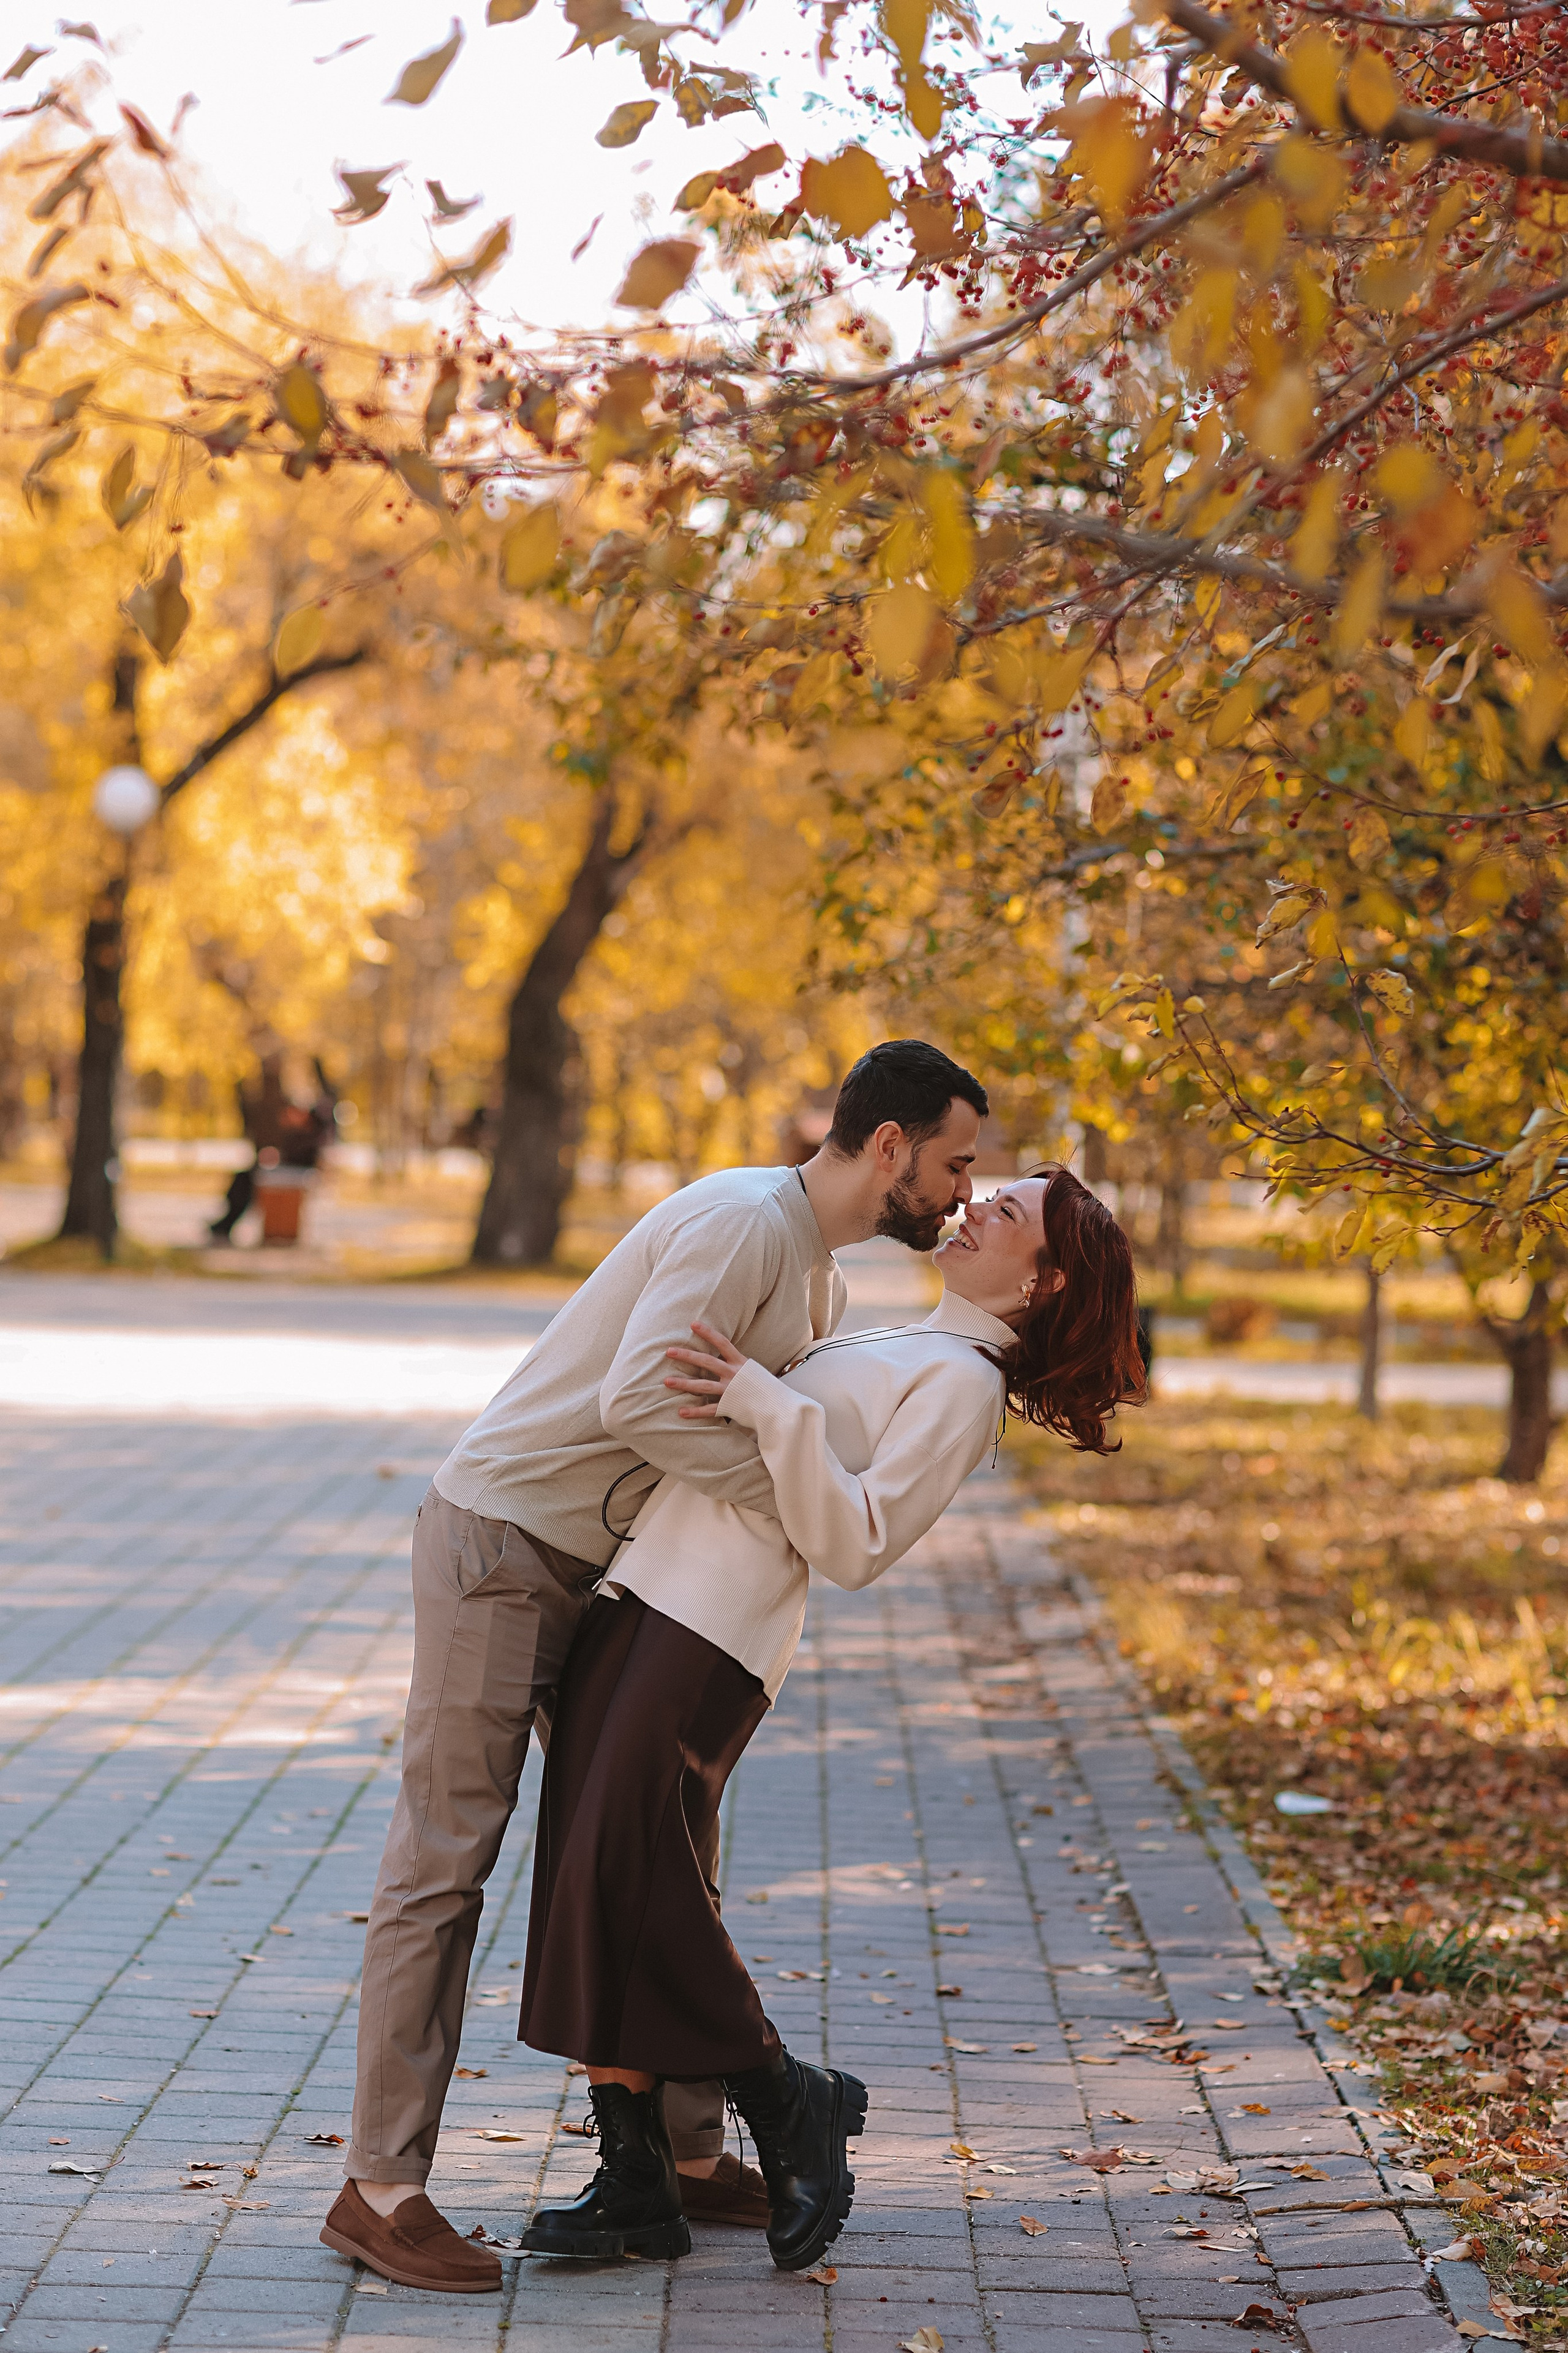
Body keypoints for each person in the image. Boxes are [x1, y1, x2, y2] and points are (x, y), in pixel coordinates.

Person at [320, 1040, 990, 2293]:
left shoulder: (821, 1287)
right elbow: (639, 1399)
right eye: (953, 1162)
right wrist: (803, 1503)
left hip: (600, 1571)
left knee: (667, 1845)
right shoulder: (746, 1223)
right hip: (503, 1546)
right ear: (888, 1144)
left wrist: (789, 1483)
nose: (960, 1192)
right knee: (445, 1860)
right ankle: (379, 2186)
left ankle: (679, 2157)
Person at [514, 1166, 1144, 2275]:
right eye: (990, 1187)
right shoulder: (907, 1339)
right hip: (643, 1594)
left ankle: (784, 2093)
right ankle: (636, 2177)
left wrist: (768, 1400)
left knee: (623, 1864)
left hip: (710, 1628)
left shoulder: (959, 1383)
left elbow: (856, 1542)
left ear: (1042, 1281)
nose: (980, 1201)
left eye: (1012, 1210)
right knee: (588, 1866)